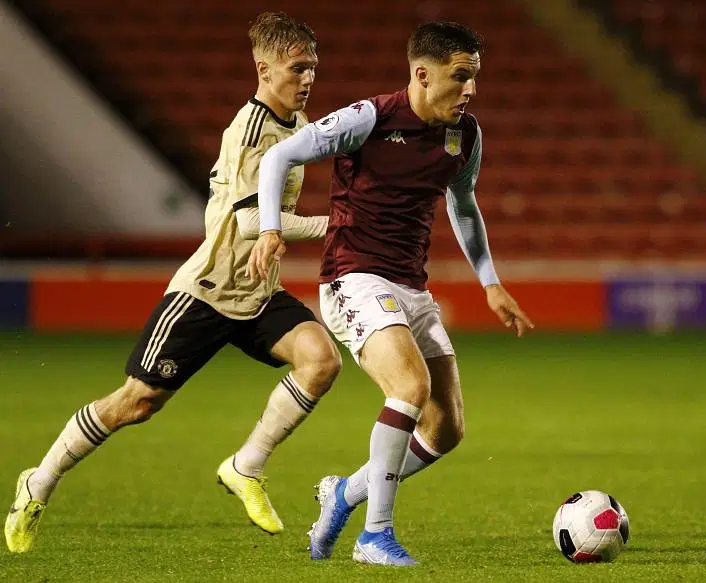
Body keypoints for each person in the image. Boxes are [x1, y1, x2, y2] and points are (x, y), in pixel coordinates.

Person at [5, 12, 340, 554]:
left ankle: (245, 466)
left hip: (255, 293)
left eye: (313, 68)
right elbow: (254, 221)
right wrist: (338, 224)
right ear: (264, 68)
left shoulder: (298, 127)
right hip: (206, 291)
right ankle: (37, 482)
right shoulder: (251, 132)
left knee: (321, 360)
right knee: (137, 402)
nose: (308, 79)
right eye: (298, 68)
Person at [248, 21, 533, 566]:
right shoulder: (370, 118)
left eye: (474, 77)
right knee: (409, 385)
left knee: (445, 430)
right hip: (352, 277)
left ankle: (344, 494)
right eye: (461, 76)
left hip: (410, 286)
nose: (471, 89)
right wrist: (269, 228)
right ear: (422, 74)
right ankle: (374, 534)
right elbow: (278, 158)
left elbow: (463, 206)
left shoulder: (465, 135)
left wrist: (491, 282)